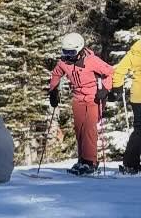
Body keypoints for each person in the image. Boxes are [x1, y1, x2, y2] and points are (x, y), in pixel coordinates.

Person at [48, 32, 113, 175]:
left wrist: (106, 89)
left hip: (94, 98)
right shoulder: (64, 62)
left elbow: (109, 72)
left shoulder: (92, 61)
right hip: (78, 98)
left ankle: (90, 162)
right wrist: (53, 90)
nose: (68, 55)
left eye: (71, 52)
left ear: (79, 49)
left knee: (89, 128)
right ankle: (82, 160)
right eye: (65, 52)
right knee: (79, 130)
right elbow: (56, 74)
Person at [106, 38, 141, 175]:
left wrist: (117, 86)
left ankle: (130, 163)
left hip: (137, 97)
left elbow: (120, 69)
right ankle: (130, 164)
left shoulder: (135, 51)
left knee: (139, 130)